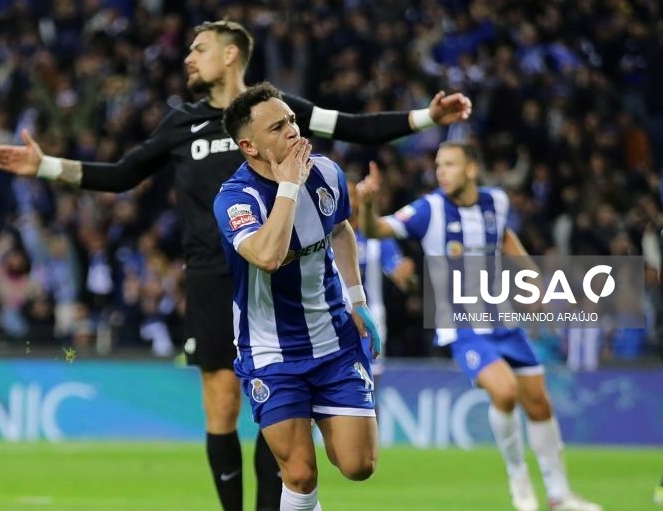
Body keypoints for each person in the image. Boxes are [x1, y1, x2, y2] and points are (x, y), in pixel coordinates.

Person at [0, 19, 471, 511]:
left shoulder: (282, 116)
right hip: (216, 278)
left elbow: (351, 126)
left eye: (199, 49)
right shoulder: (183, 124)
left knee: (308, 449)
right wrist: (46, 166)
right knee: (223, 407)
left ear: (231, 55)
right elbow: (121, 175)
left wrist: (425, 118)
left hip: (301, 287)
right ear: (248, 145)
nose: (188, 59)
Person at [357, 141, 602, 511]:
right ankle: (518, 478)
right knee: (504, 392)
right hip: (462, 325)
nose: (441, 171)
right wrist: (371, 203)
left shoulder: (496, 202)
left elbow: (503, 236)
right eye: (438, 165)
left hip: (504, 319)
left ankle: (559, 495)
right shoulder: (429, 209)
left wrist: (533, 277)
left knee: (539, 404)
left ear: (471, 169)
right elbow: (375, 230)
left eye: (450, 164)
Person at [214, 82, 380, 511]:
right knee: (301, 473)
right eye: (277, 127)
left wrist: (357, 298)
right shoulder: (237, 198)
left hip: (334, 341)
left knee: (360, 464)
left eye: (291, 119)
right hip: (271, 351)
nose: (292, 130)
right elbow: (267, 256)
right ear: (249, 146)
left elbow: (341, 228)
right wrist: (287, 187)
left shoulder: (325, 172)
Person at [345, 168, 415, 382]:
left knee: (369, 387)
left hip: (369, 321)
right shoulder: (322, 234)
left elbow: (405, 281)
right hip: (329, 320)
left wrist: (408, 277)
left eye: (350, 195)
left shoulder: (377, 236)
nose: (345, 201)